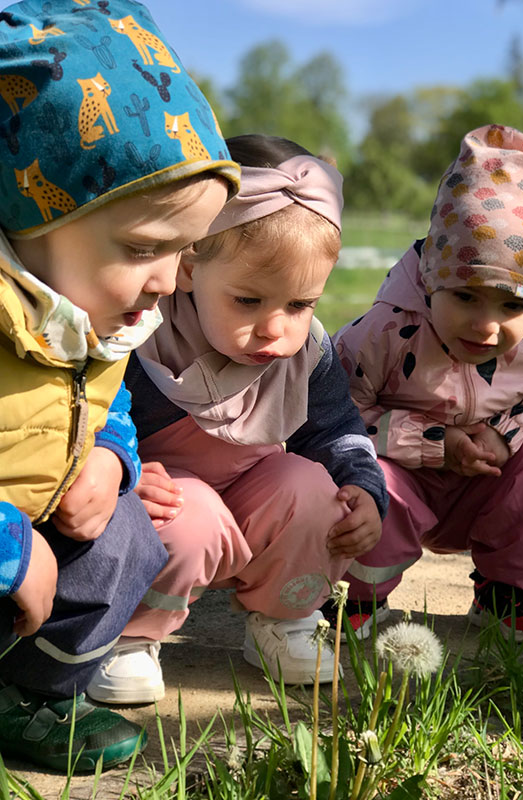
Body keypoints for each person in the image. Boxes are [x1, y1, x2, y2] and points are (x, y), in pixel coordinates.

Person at [0, 0, 240, 772]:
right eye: (144, 246)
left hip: (37, 536)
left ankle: (29, 693)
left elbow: (109, 401)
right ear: (28, 210)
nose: (168, 281)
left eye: (186, 252)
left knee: (125, 533)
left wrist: (110, 456)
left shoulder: (96, 316)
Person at [85, 134, 389, 704]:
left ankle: (285, 619)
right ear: (190, 267)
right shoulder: (142, 340)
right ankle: (129, 633)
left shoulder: (306, 355)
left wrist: (363, 488)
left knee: (312, 488)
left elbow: (339, 429)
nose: (276, 328)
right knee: (185, 510)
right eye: (248, 301)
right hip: (170, 507)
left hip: (255, 500)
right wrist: (123, 470)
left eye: (300, 305)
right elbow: (87, 417)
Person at [333, 124, 523, 642]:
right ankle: (352, 597)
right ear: (431, 276)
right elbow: (334, 418)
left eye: (513, 304)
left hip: (491, 487)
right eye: (466, 297)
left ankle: (509, 593)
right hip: (403, 486)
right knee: (359, 477)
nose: (487, 324)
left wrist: (508, 433)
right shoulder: (381, 334)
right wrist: (432, 444)